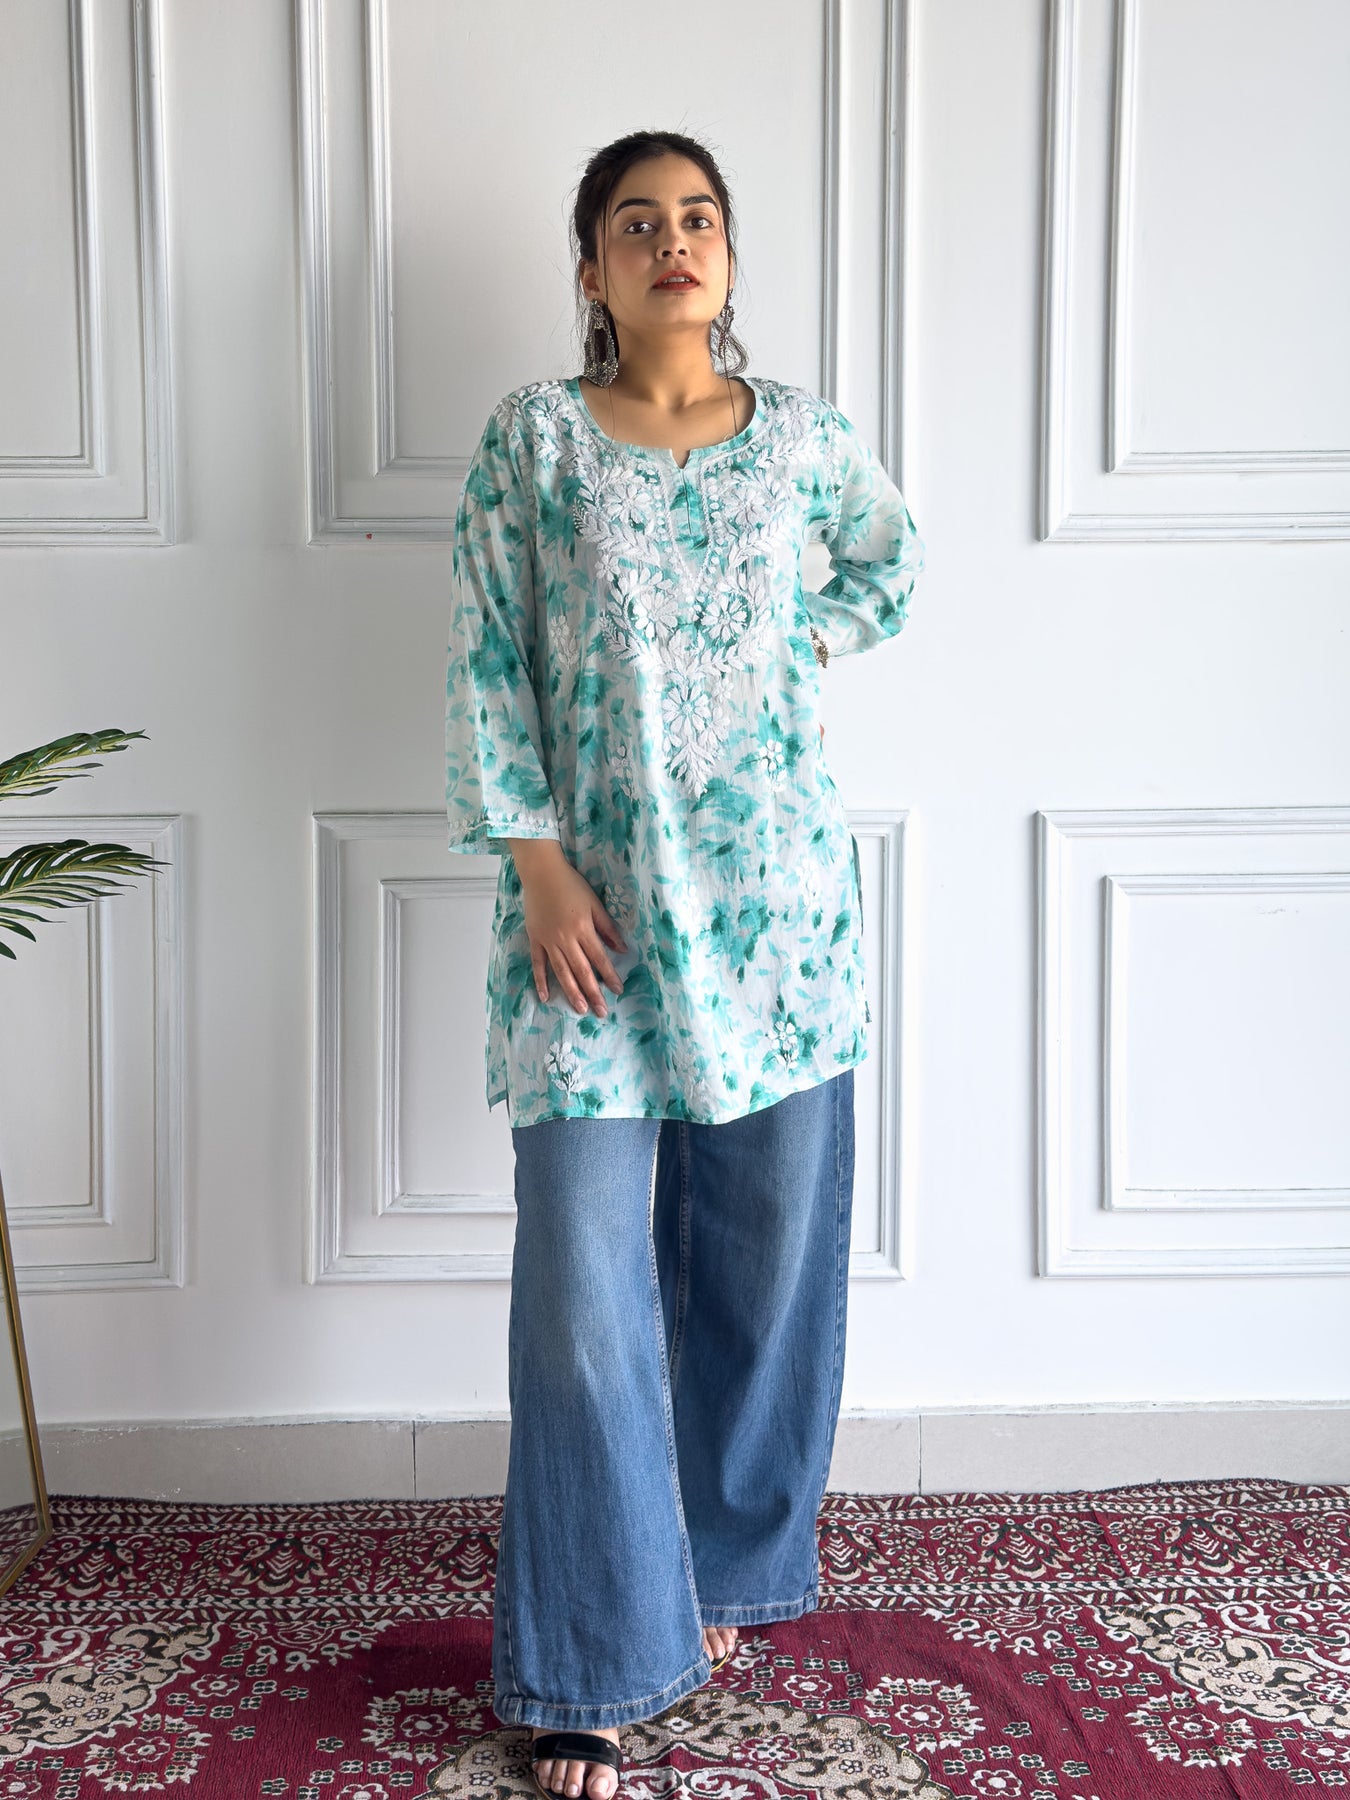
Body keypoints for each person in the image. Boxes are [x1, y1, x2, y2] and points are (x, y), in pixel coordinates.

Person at [445, 129, 925, 1800]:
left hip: (779, 919)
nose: (674, 241)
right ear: (589, 265)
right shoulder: (531, 441)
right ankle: (589, 1660)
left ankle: (718, 1566)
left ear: (728, 253)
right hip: (587, 924)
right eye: (637, 222)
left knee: (763, 1264)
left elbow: (892, 564)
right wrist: (534, 862)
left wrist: (802, 633)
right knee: (585, 1299)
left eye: (699, 217)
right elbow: (484, 656)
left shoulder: (802, 439)